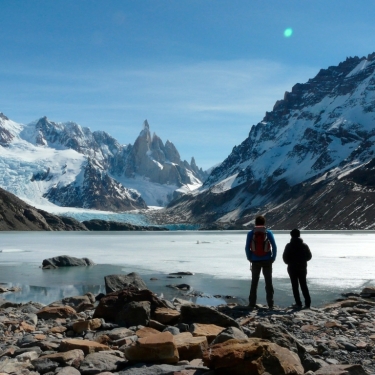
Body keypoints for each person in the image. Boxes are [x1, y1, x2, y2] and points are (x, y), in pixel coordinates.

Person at [245, 215, 277, 309]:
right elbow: (274, 246)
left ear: (255, 223)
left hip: (255, 261)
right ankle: (270, 304)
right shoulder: (268, 232)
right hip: (267, 260)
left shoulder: (251, 233)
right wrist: (273, 257)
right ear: (264, 223)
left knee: (254, 282)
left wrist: (249, 257)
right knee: (268, 282)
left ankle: (252, 303)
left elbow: (247, 247)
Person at [283, 228, 312, 309]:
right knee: (303, 284)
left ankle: (298, 303)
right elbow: (309, 256)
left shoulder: (289, 245)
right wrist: (303, 261)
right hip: (302, 267)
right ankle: (307, 303)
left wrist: (289, 262)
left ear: (291, 235)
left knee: (294, 285)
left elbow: (285, 257)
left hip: (292, 268)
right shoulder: (304, 245)